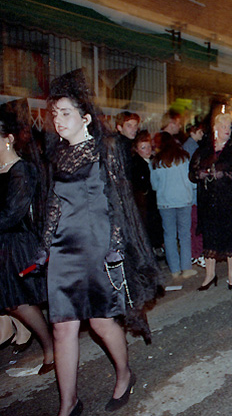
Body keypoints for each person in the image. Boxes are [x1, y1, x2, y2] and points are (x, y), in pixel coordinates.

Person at [41, 70, 161, 416]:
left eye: (65, 113)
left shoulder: (105, 149)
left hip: (98, 247)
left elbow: (120, 201)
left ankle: (125, 374)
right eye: (54, 114)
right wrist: (44, 244)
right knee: (62, 327)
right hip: (64, 250)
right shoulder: (58, 155)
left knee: (100, 323)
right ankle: (68, 405)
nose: (58, 120)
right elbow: (54, 202)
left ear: (86, 118)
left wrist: (116, 247)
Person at [0, 103, 55, 374]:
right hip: (3, 242)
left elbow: (12, 212)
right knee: (10, 302)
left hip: (17, 243)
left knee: (18, 301)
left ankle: (50, 348)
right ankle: (22, 335)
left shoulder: (21, 170)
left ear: (8, 139)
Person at [189, 107, 232, 291]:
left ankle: (231, 276)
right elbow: (191, 173)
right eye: (223, 126)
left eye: (229, 127)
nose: (227, 130)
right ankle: (210, 275)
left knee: (231, 239)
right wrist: (200, 174)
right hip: (209, 203)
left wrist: (225, 174)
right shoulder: (204, 150)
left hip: (231, 203)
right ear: (215, 128)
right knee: (211, 239)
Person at [150, 132, 197, 280]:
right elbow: (192, 181)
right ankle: (186, 268)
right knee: (184, 235)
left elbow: (154, 185)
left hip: (165, 202)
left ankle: (174, 270)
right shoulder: (184, 157)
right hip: (184, 200)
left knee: (169, 236)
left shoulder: (156, 161)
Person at [131, 131, 164, 258]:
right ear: (137, 149)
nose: (147, 150)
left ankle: (157, 246)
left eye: (149, 147)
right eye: (143, 148)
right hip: (145, 201)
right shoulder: (136, 163)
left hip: (155, 199)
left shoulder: (154, 160)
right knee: (149, 225)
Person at [183, 121, 205, 268]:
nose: (202, 134)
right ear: (193, 132)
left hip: (190, 192)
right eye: (200, 132)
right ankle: (197, 254)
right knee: (196, 224)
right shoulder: (193, 148)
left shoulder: (188, 147)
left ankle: (194, 254)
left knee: (193, 225)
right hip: (193, 193)